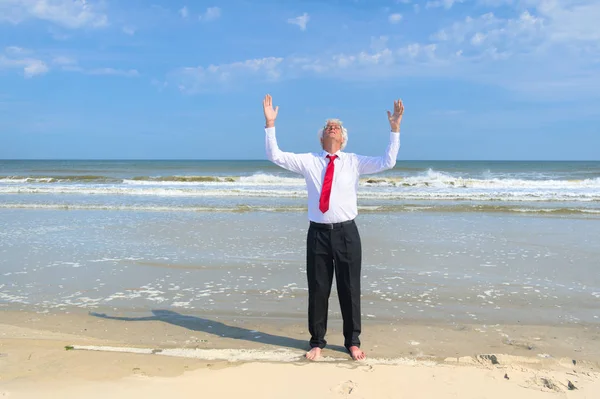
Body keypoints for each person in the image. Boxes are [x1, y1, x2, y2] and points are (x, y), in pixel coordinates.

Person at [262, 94, 403, 361]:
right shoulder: (309, 161)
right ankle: (316, 342)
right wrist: (270, 124)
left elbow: (388, 162)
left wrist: (394, 129)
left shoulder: (354, 161)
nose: (332, 126)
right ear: (322, 137)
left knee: (349, 289)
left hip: (347, 233)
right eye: (328, 125)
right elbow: (275, 155)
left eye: (336, 126)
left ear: (342, 138)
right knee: (318, 289)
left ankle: (352, 341)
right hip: (318, 233)